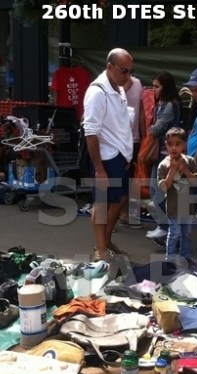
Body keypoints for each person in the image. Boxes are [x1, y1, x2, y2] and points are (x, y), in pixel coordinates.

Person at [83, 48, 135, 262]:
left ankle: (105, 242)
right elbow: (90, 132)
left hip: (120, 155)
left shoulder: (118, 88)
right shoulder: (97, 92)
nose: (127, 76)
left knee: (119, 200)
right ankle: (101, 250)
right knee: (103, 203)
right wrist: (99, 169)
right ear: (109, 67)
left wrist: (127, 154)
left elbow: (119, 124)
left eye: (130, 71)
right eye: (124, 70)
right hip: (107, 157)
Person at [145, 71, 182, 245]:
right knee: (157, 192)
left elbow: (156, 129)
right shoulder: (162, 104)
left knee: (158, 192)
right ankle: (166, 229)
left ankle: (167, 228)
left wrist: (149, 129)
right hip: (161, 154)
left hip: (167, 156)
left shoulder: (170, 106)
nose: (154, 90)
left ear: (165, 87)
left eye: (157, 86)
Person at [157, 127, 197, 266]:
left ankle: (185, 257)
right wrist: (172, 171)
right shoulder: (164, 165)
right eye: (170, 144)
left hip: (188, 205)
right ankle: (169, 259)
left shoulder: (190, 161)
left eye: (177, 144)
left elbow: (196, 182)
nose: (174, 147)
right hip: (173, 206)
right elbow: (164, 187)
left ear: (184, 145)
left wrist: (185, 171)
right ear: (166, 145)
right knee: (174, 233)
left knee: (187, 233)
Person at [118, 75, 145, 228]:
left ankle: (132, 214)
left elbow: (140, 111)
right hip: (117, 141)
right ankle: (116, 216)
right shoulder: (111, 85)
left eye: (128, 71)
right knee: (119, 178)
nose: (126, 75)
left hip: (134, 139)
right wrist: (123, 89)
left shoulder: (137, 83)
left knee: (134, 178)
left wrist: (144, 136)